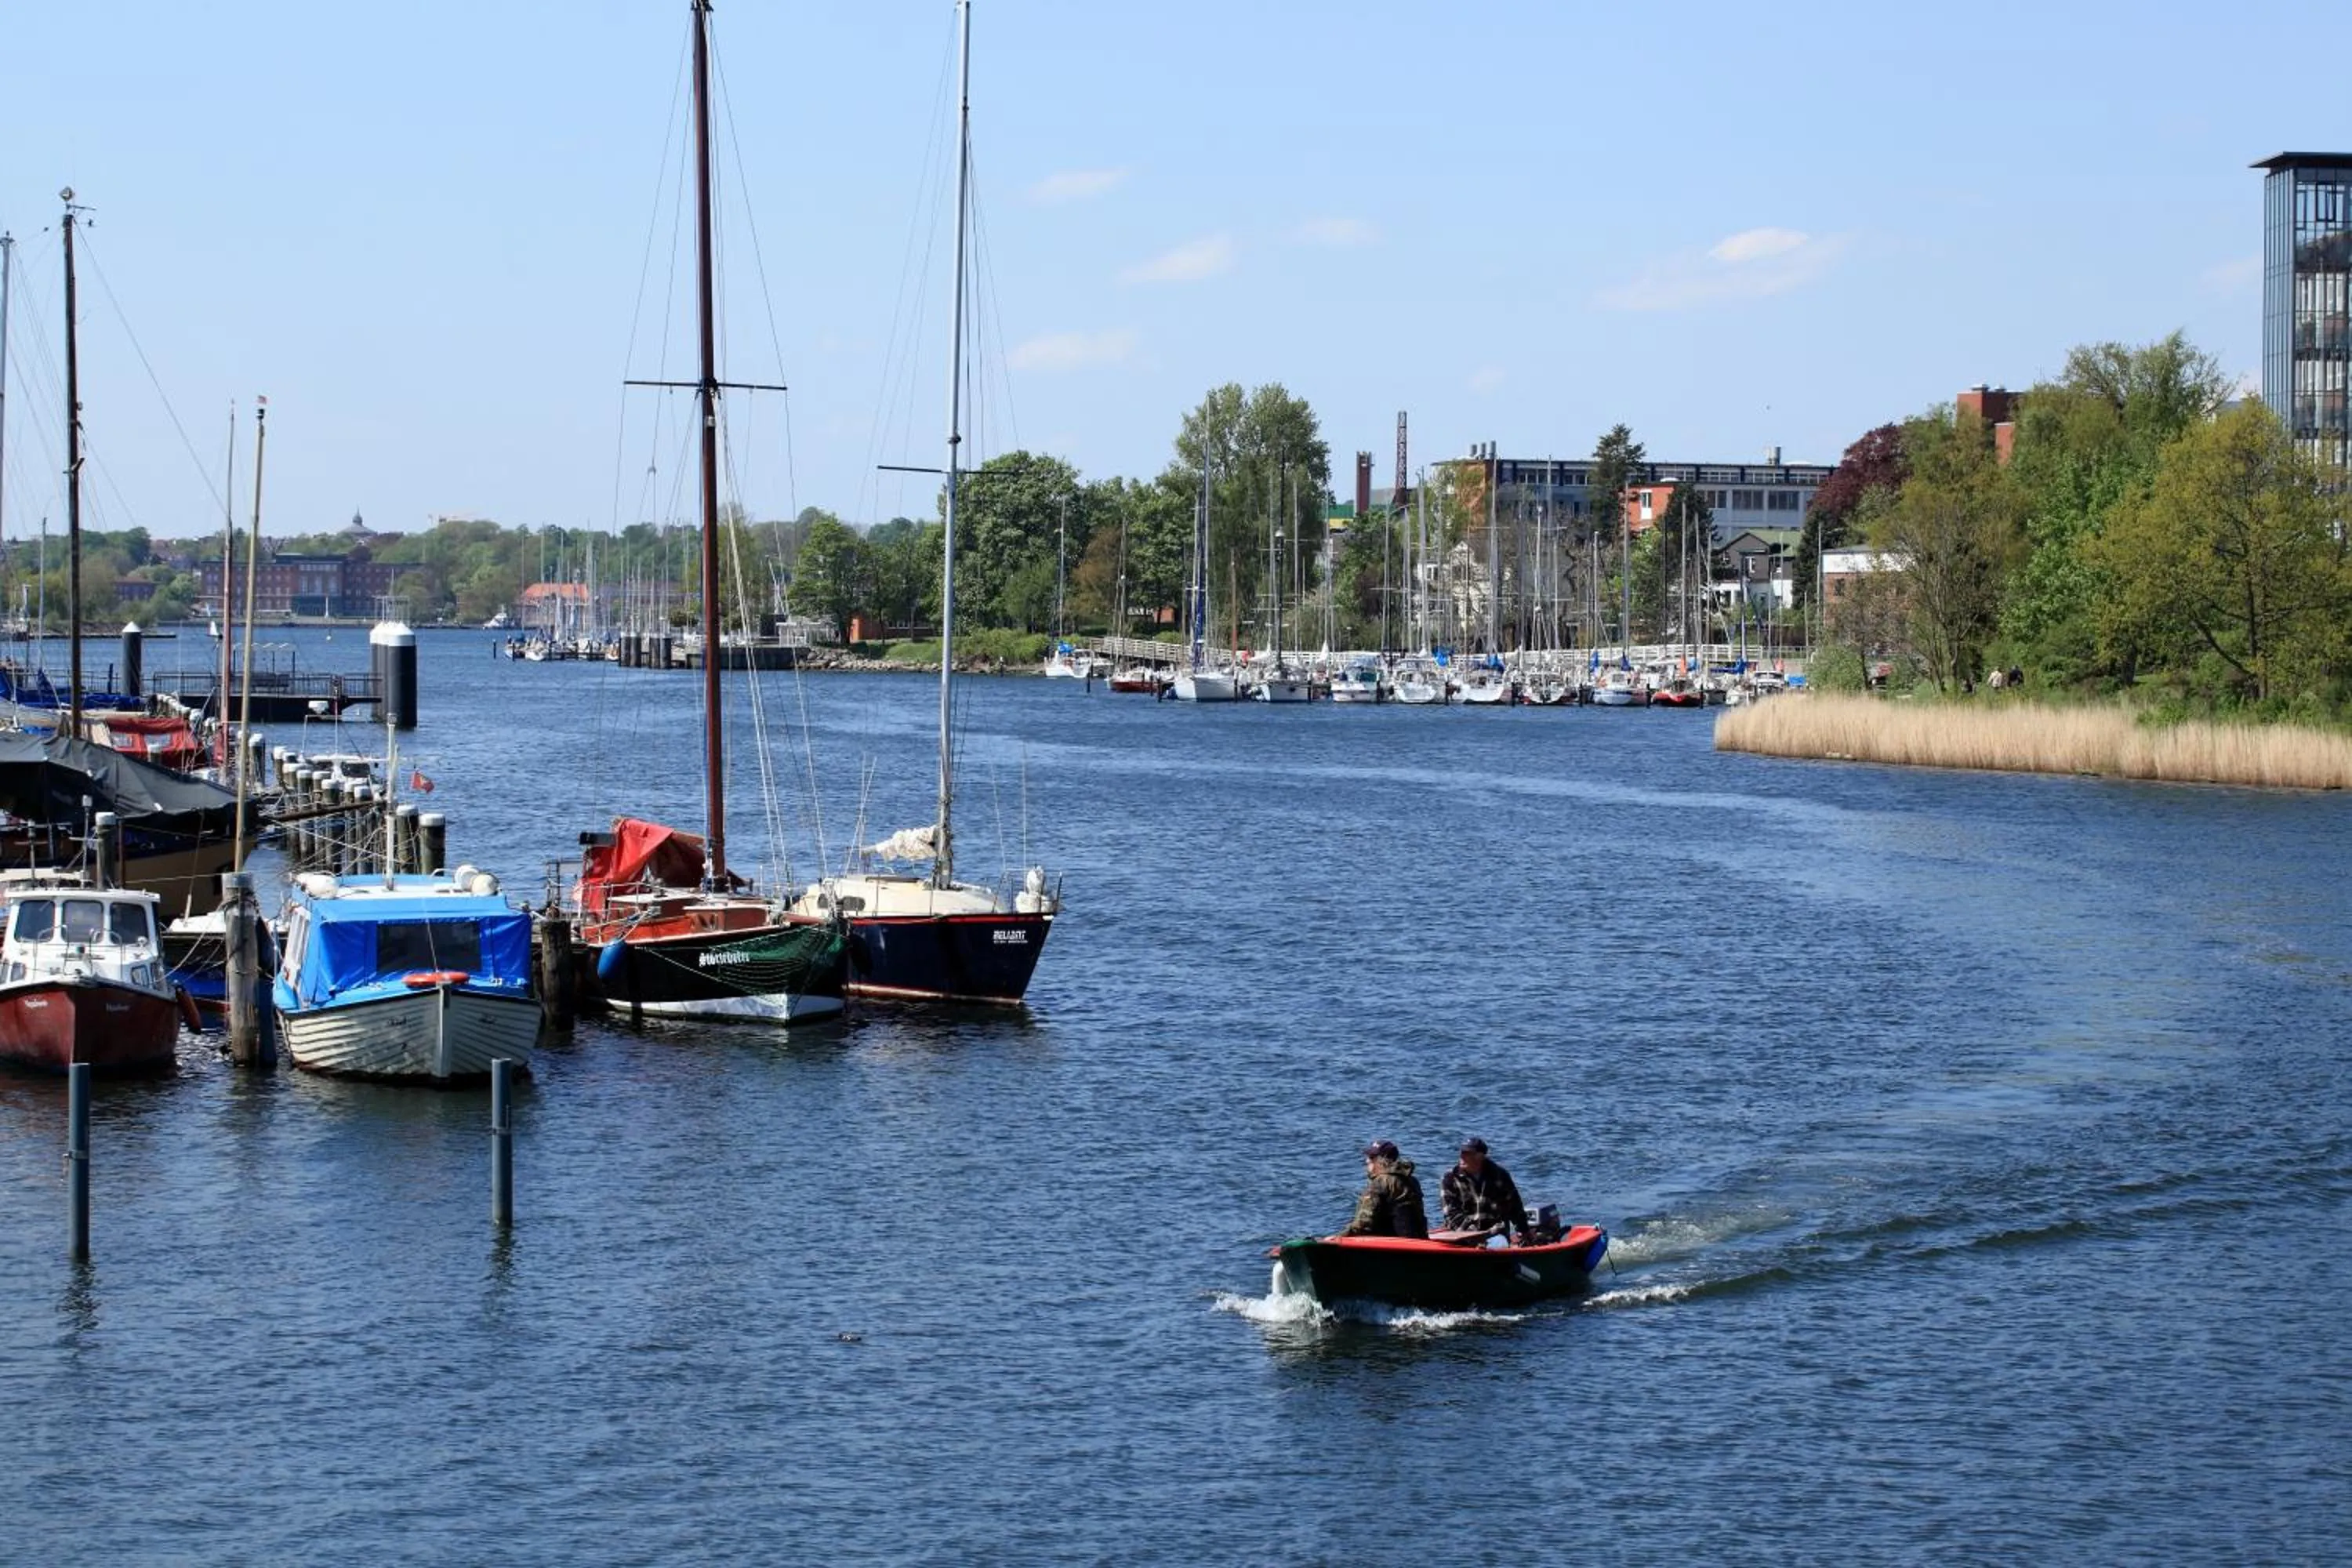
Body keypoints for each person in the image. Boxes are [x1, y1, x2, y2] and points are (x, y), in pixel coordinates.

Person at [1440, 1138, 1530, 1239]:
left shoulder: (1499, 1175)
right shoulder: (1450, 1178)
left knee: (1498, 1242)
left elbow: (1515, 1207)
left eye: (1468, 1153)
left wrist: (1524, 1232)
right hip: (1462, 1235)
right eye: (1462, 1152)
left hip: (1495, 1235)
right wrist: (1474, 1235)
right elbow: (1451, 1214)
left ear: (1481, 1156)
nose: (1462, 1156)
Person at [1339, 1140, 1428, 1239]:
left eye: (1372, 1157)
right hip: (1418, 1239)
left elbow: (1364, 1223)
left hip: (1390, 1244)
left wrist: (1341, 1236)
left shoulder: (1380, 1182)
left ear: (1382, 1161)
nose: (1367, 1161)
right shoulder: (1412, 1181)